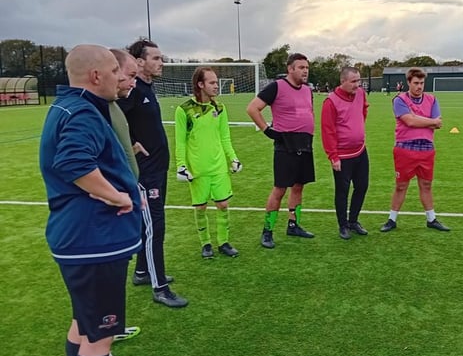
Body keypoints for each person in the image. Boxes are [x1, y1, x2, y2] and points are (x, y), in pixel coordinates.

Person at [39, 44, 142, 356]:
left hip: (82, 238)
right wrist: (119, 196)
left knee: (85, 325)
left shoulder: (70, 106)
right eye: (114, 71)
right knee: (99, 337)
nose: (118, 77)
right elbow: (73, 162)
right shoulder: (83, 112)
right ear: (96, 75)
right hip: (93, 240)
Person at [117, 39, 188, 308]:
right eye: (156, 58)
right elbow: (112, 121)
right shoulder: (132, 90)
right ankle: (160, 288)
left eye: (161, 58)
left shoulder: (147, 87)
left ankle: (142, 272)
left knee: (153, 224)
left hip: (158, 168)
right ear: (139, 61)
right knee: (154, 226)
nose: (161, 62)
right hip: (145, 173)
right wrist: (130, 144)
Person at [246, 53, 316, 248]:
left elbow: (309, 112)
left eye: (307, 68)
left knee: (299, 186)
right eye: (301, 67)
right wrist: (267, 130)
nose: (305, 71)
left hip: (305, 144)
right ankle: (267, 231)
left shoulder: (307, 90)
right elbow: (252, 108)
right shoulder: (276, 87)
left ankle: (293, 224)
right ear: (290, 69)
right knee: (280, 189)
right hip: (286, 145)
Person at [174, 67, 243, 259]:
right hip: (198, 169)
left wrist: (233, 158)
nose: (216, 86)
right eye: (212, 82)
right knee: (201, 207)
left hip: (219, 167)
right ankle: (205, 243)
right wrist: (181, 165)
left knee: (223, 205)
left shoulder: (220, 108)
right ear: (200, 84)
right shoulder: (184, 110)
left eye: (216, 82)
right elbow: (180, 141)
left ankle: (224, 242)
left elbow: (225, 137)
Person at [380, 67, 450, 233]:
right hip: (405, 149)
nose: (419, 86)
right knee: (401, 186)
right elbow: (409, 121)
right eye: (416, 83)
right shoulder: (399, 100)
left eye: (422, 83)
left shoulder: (432, 99)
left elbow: (438, 122)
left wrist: (418, 118)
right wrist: (429, 121)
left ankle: (431, 219)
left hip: (426, 149)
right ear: (408, 83)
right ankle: (392, 219)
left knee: (426, 185)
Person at [109, 49, 145, 346]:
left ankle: (112, 325)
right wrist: (122, 197)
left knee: (115, 274)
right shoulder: (90, 111)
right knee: (99, 288)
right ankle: (102, 341)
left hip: (123, 206)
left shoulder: (113, 106)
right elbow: (77, 166)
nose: (134, 82)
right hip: (106, 214)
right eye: (131, 75)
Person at [321, 66, 370, 239]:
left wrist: (357, 129)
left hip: (360, 151)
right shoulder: (331, 101)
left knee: (362, 186)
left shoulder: (361, 94)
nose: (358, 85)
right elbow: (327, 131)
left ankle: (353, 220)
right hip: (342, 156)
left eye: (359, 80)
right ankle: (343, 225)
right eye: (354, 81)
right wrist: (333, 156)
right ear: (343, 82)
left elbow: (364, 109)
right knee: (342, 191)